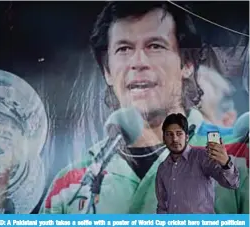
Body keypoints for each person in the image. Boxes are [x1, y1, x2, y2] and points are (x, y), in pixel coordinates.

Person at [39, 1, 248, 214]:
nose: (138, 62)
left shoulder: (239, 157)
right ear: (107, 71)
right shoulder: (69, 186)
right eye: (124, 49)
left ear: (186, 63)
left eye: (155, 46)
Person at [156, 113, 239, 214]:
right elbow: (162, 206)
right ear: (164, 139)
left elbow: (232, 183)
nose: (175, 139)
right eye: (169, 134)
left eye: (179, 133)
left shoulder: (201, 157)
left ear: (186, 137)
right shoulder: (163, 168)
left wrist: (226, 163)